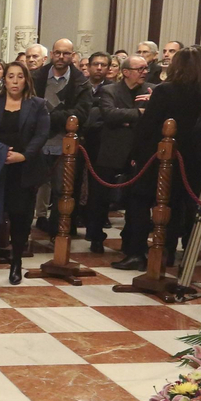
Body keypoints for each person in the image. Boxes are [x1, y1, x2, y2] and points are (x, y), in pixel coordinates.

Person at [114, 45, 201, 270]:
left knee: (139, 202)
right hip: (186, 158)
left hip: (155, 155)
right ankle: (167, 251)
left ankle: (137, 253)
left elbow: (148, 125)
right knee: (174, 206)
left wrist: (135, 155)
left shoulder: (164, 90)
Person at [0, 62, 51, 284]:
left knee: (20, 218)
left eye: (19, 77)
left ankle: (16, 263)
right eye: (10, 77)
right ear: (3, 80)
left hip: (23, 170)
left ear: (26, 80)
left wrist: (23, 155)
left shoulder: (38, 105)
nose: (15, 81)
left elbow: (42, 134)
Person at [85, 54, 152, 253]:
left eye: (146, 68)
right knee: (100, 198)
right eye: (140, 69)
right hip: (111, 151)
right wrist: (139, 113)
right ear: (126, 72)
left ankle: (130, 241)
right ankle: (96, 237)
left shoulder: (152, 91)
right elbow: (110, 115)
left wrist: (127, 117)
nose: (144, 72)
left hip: (139, 153)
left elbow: (153, 118)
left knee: (135, 200)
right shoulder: (110, 90)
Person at [30, 38, 95, 234]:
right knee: (31, 187)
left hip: (64, 143)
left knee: (62, 190)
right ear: (51, 54)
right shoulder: (36, 77)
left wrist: (49, 116)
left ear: (72, 56)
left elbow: (81, 114)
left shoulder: (81, 82)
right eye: (57, 52)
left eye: (66, 53)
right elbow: (28, 107)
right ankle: (23, 232)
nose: (61, 57)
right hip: (38, 142)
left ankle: (58, 232)